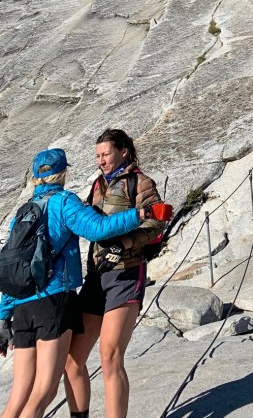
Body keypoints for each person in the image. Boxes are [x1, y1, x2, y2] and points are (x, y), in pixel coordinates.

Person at [0, 148, 151, 418]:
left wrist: (3, 316)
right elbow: (97, 229)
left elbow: (13, 265)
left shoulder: (22, 213)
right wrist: (138, 216)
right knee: (43, 392)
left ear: (34, 177)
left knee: (19, 394)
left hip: (22, 309)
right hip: (53, 302)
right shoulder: (64, 202)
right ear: (63, 173)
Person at [64, 130, 166, 418]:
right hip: (96, 275)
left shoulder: (140, 182)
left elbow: (158, 221)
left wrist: (125, 244)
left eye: (105, 154)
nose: (101, 160)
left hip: (126, 273)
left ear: (123, 151)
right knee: (72, 360)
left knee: (110, 357)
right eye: (97, 156)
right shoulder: (98, 185)